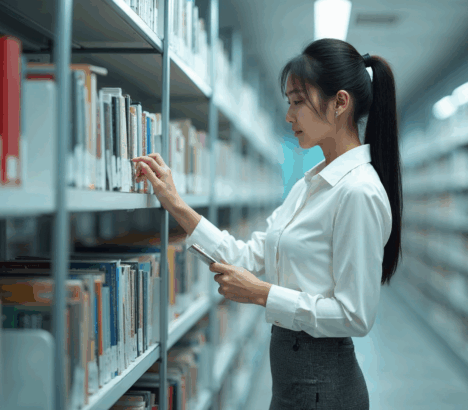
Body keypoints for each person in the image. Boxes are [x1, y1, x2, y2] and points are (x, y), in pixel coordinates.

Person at [132, 38, 402, 410]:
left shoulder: (358, 193)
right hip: (292, 380)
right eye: (288, 103)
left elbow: (354, 315)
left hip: (324, 387)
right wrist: (175, 203)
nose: (289, 116)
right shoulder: (311, 184)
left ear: (341, 102)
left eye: (297, 102)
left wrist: (262, 294)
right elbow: (246, 257)